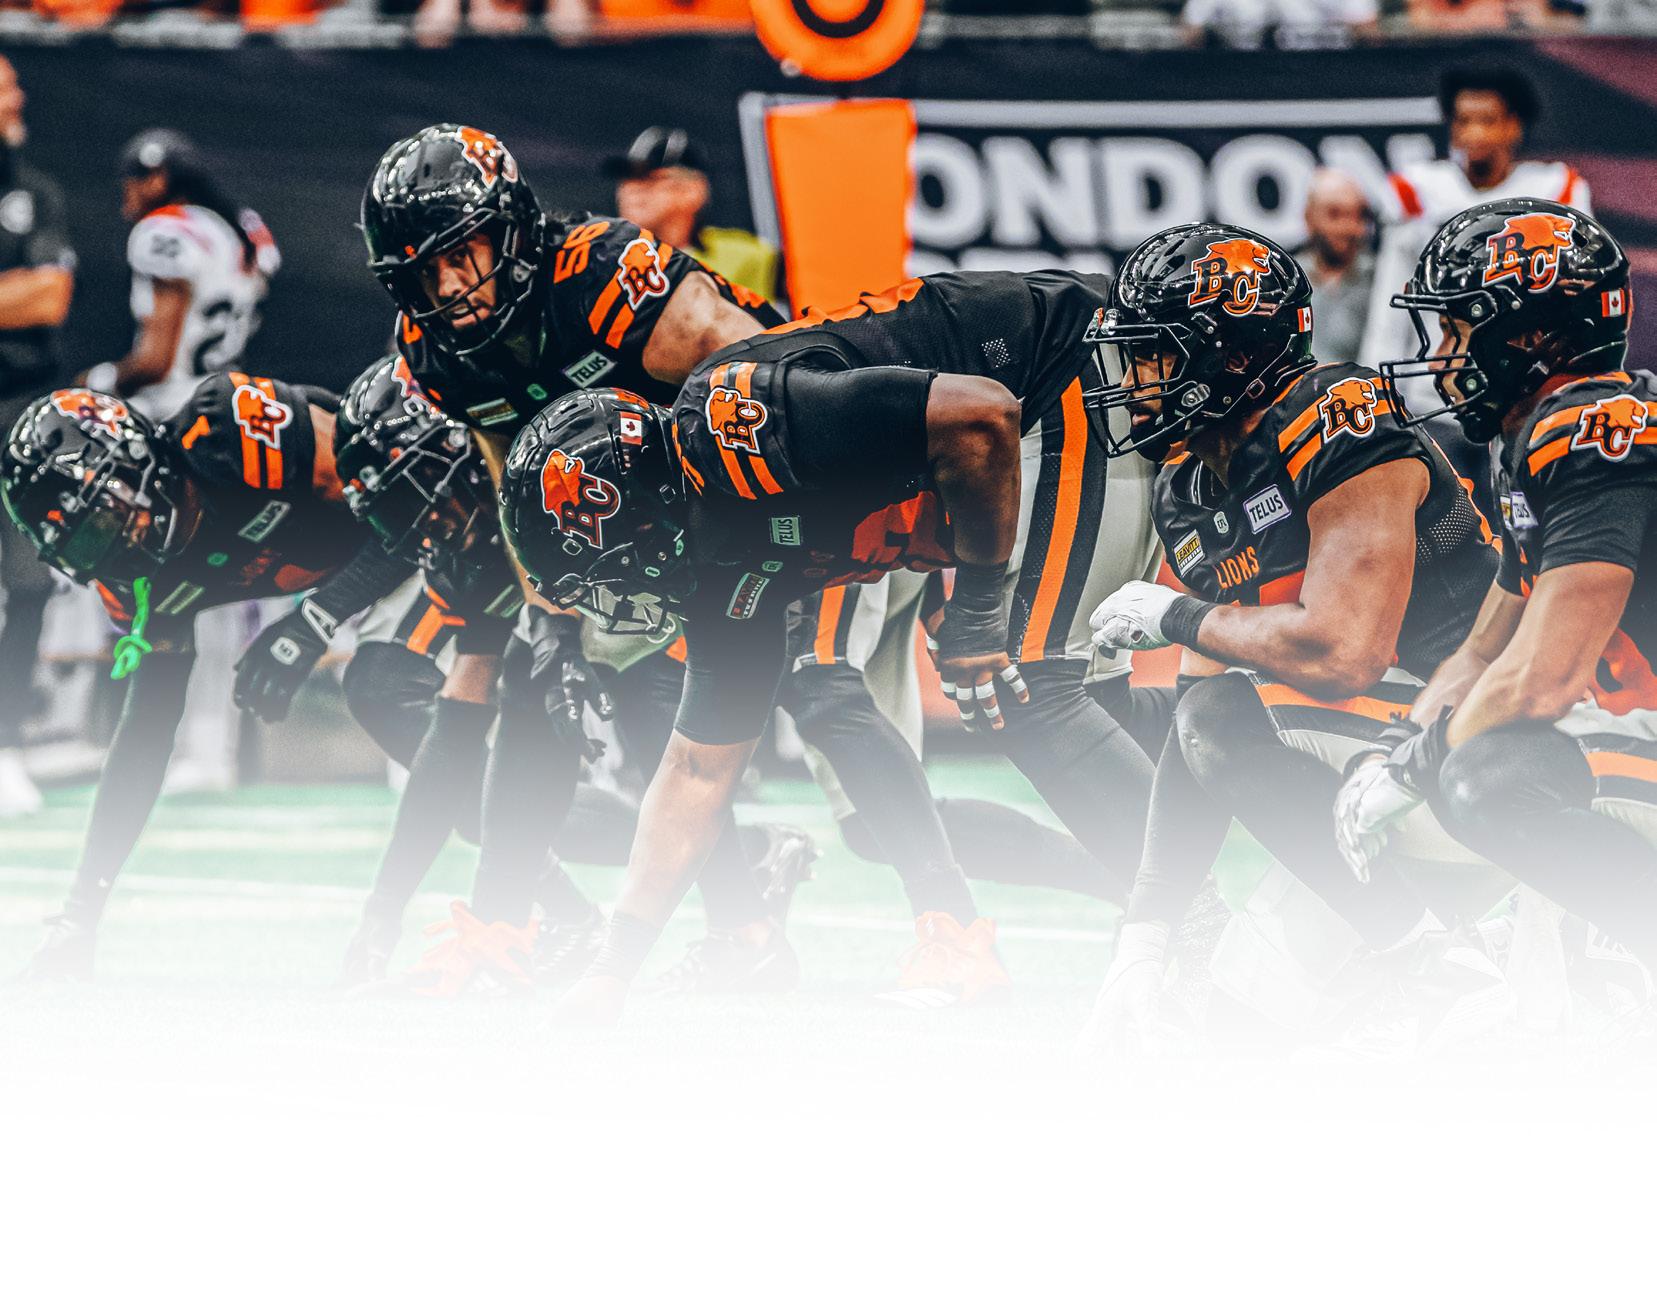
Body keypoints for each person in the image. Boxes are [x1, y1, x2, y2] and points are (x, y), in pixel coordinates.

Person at [499, 265, 1164, 1025]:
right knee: (1090, 716)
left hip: (1062, 377)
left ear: (641, 517)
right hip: (1020, 435)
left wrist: (976, 611)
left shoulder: (734, 432)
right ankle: (1244, 740)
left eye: (604, 573)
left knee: (1026, 689)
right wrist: (612, 972)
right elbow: (696, 771)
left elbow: (980, 416)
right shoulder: (714, 560)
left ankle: (1184, 925)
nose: (614, 601)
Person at [360, 123, 813, 994]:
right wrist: (548, 610)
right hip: (636, 520)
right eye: (422, 270)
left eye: (460, 254)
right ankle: (732, 920)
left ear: (510, 229)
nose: (446, 286)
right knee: (549, 679)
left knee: (790, 713)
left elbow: (774, 389)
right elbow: (509, 461)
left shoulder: (605, 281)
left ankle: (904, 920)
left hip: (767, 485)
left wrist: (755, 544)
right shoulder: (438, 349)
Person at [1082, 222, 1505, 1049]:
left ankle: (1430, 953)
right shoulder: (1188, 486)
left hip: (1495, 757)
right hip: (1386, 773)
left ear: (1232, 355)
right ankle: (1434, 945)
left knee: (1224, 712)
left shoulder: (1338, 416)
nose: (1131, 383)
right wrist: (1146, 934)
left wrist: (1175, 615)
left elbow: (1345, 652)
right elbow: (1195, 730)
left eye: (1153, 355)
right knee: (1242, 1030)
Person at [1336, 200, 1657, 977]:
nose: (1440, 355)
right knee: (1469, 761)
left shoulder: (1595, 431)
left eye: (1456, 330)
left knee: (1486, 780)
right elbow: (1485, 648)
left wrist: (1411, 767)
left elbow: (1543, 680)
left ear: (1531, 338)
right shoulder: (1541, 430)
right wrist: (1393, 749)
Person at [0, 377, 410, 979]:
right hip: (368, 577)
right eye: (86, 545)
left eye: (103, 523)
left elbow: (412, 500)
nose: (113, 551)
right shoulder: (130, 577)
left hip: (440, 533)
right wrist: (81, 913)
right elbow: (148, 728)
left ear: (135, 463)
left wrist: (316, 620)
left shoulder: (230, 435)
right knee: (393, 700)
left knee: (384, 689)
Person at [82, 129, 283, 794]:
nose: (126, 195)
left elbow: (158, 356)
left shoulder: (166, 233)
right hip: (229, 414)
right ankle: (210, 747)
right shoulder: (240, 231)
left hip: (171, 420)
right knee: (214, 591)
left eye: (133, 180)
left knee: (145, 583)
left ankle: (129, 737)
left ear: (159, 178)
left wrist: (98, 382)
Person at [1360, 66, 1590, 371]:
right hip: (1435, 372)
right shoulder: (1418, 190)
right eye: (1463, 121)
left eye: (1487, 121)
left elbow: (1579, 296)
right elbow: (1390, 302)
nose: (1474, 132)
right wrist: (1375, 375)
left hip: (1523, 375)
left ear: (1514, 125)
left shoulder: (1554, 190)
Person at [0, 54, 75, 818]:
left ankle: (8, 745)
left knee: (29, 582)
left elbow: (49, 295)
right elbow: (25, 293)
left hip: (21, 409)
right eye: (2, 86)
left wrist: (27, 294)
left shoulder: (35, 192)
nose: (16, 97)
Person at [605, 126, 781, 304]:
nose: (632, 189)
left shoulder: (751, 256)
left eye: (650, 178)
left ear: (693, 191)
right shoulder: (603, 261)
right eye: (626, 178)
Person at [1296, 169, 1373, 366]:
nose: (1348, 227)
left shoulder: (1381, 282)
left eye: (1357, 215)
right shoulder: (1286, 281)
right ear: (1309, 217)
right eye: (1334, 214)